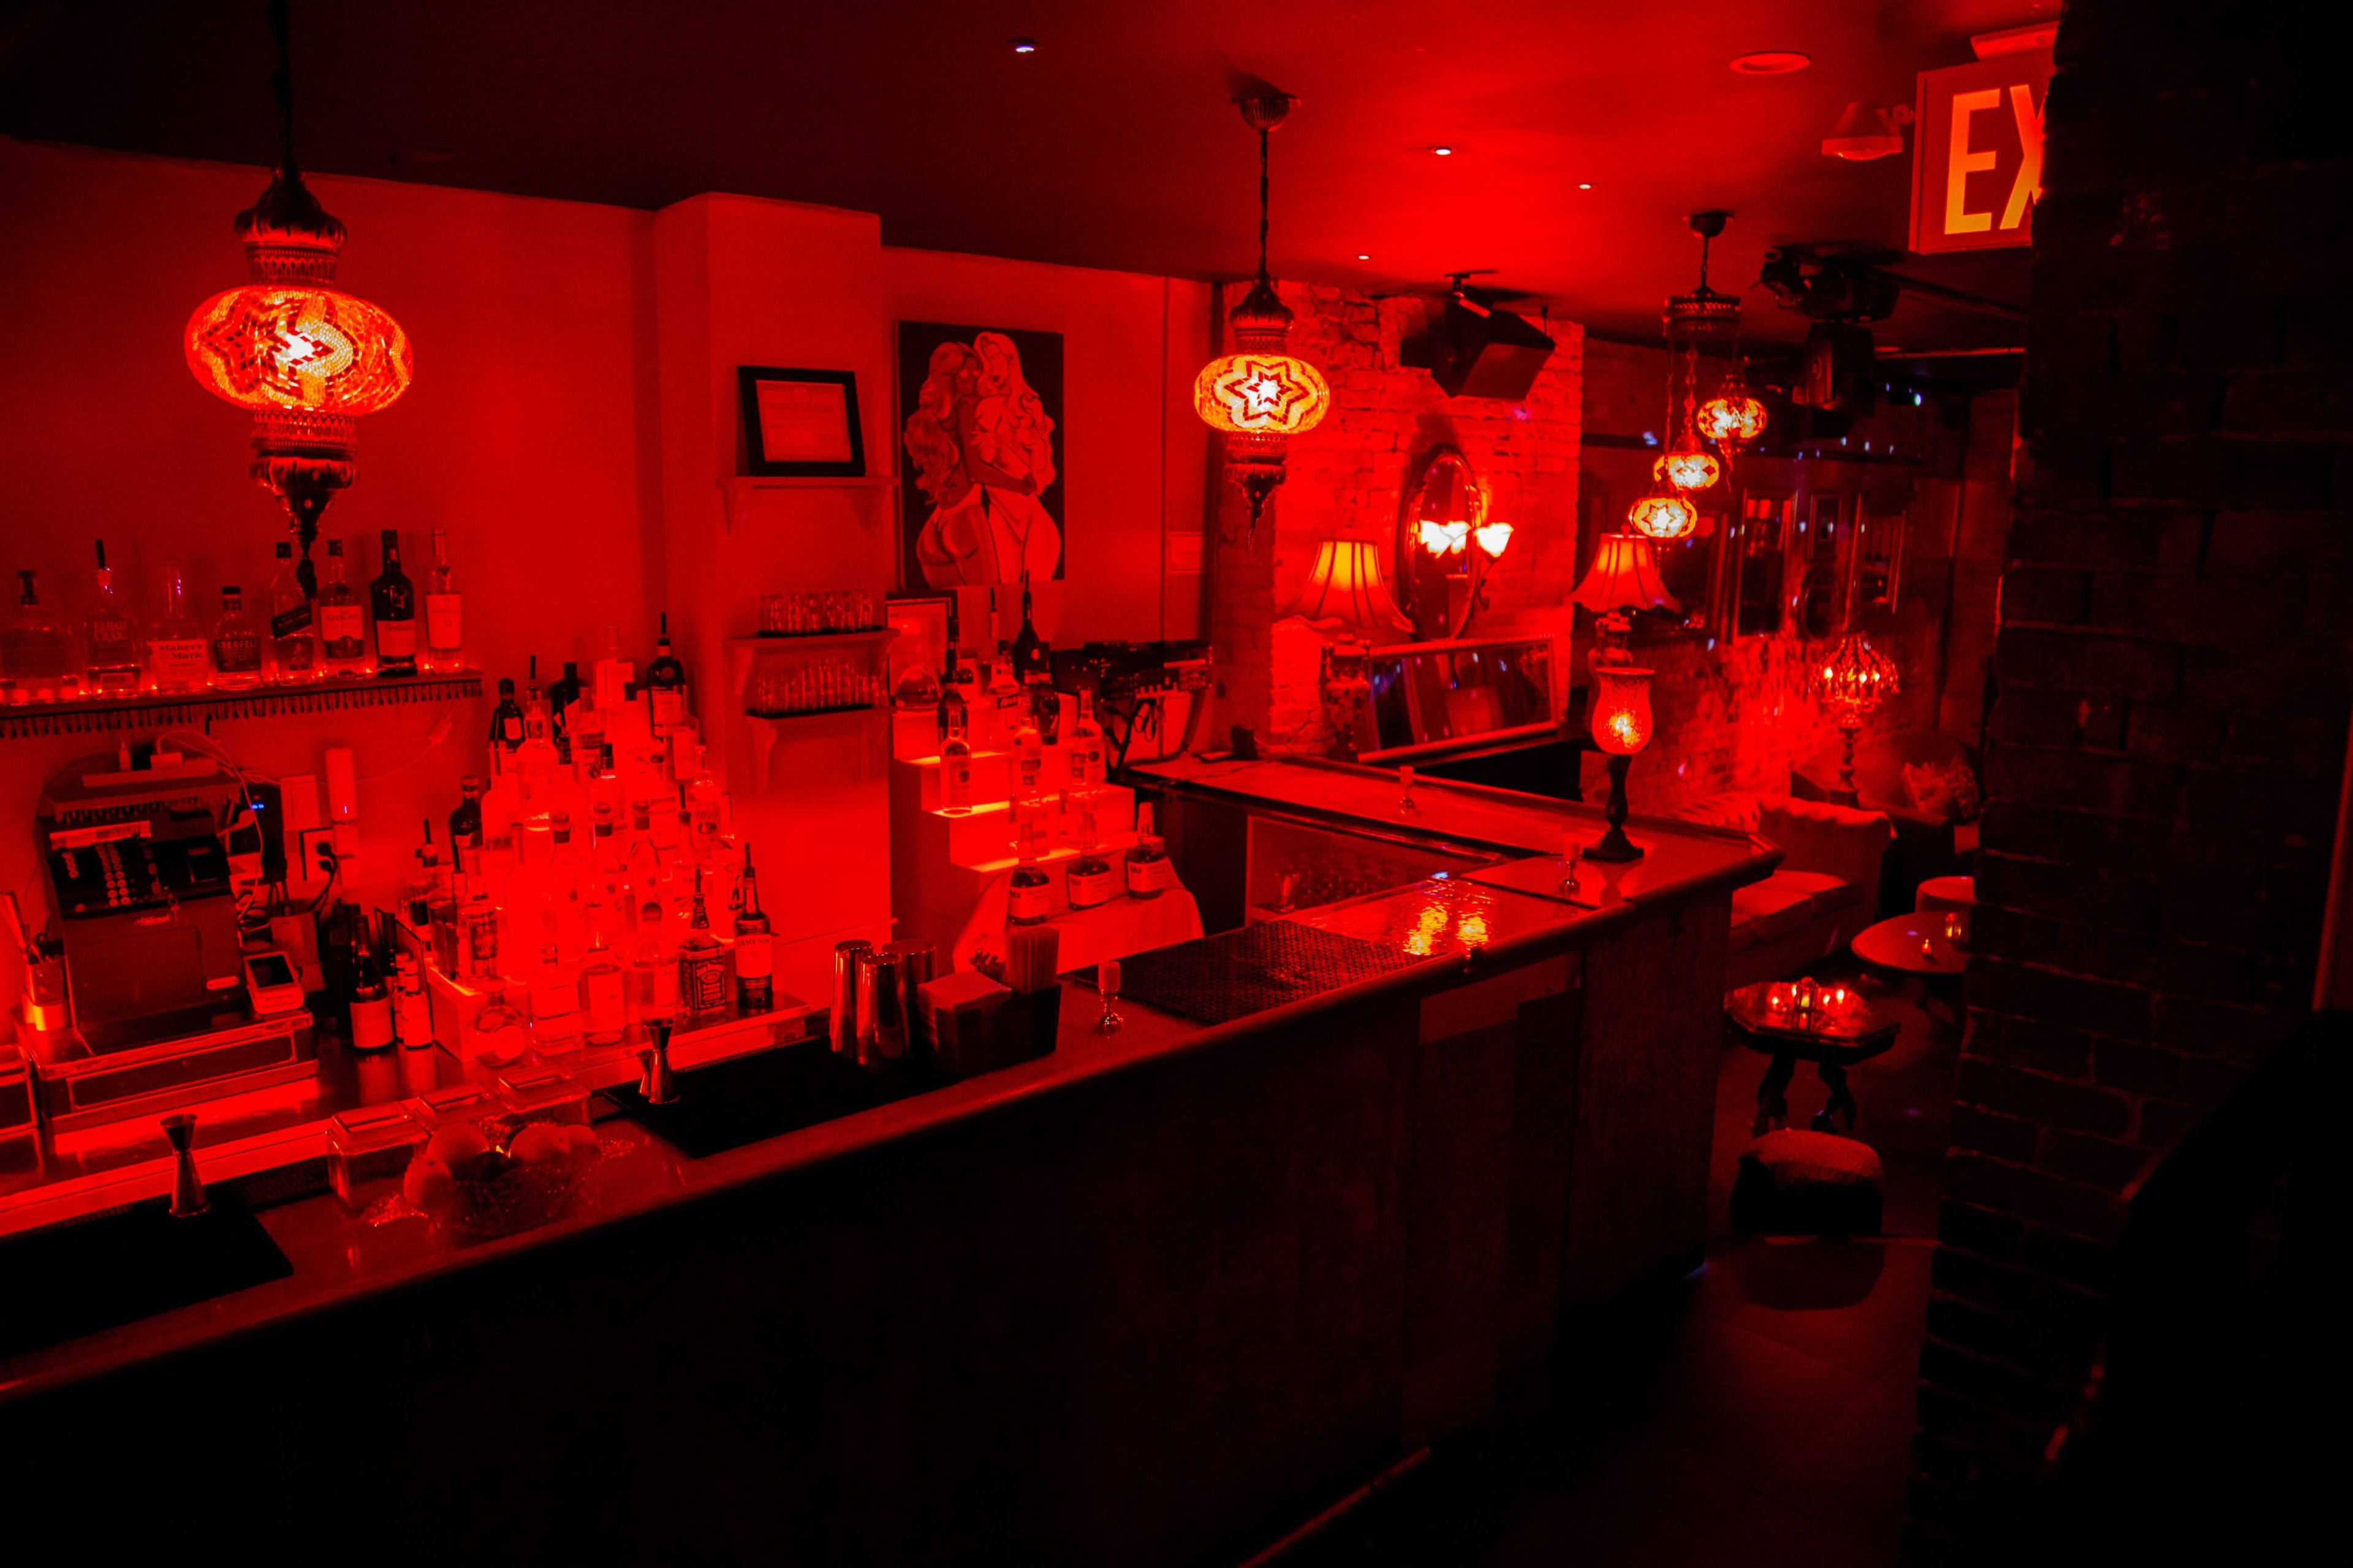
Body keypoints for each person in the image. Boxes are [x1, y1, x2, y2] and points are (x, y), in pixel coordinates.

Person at [908, 331, 1060, 586]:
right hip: (965, 521)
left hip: (934, 526)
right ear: (952, 375)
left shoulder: (929, 416)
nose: (975, 376)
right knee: (990, 613)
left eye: (976, 369)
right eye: (967, 371)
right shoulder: (964, 407)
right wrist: (1019, 485)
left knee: (948, 615)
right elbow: (977, 471)